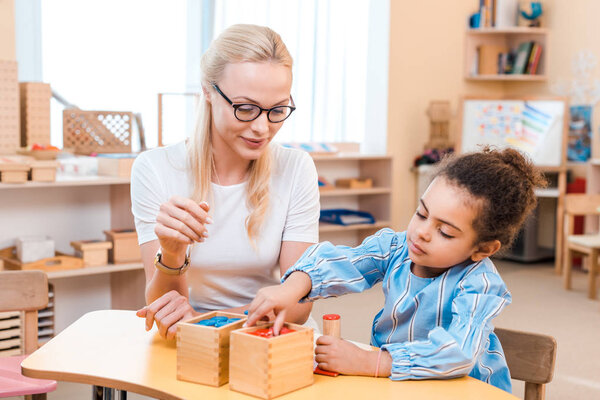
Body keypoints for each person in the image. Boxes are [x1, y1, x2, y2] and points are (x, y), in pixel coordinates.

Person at [247, 147, 547, 393]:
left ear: (483, 249)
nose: (422, 233)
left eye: (445, 232)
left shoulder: (480, 285)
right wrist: (293, 287)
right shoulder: (397, 247)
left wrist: (372, 362)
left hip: (463, 390)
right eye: (422, 214)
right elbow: (344, 261)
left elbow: (457, 353)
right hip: (401, 384)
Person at [131, 24, 319, 340]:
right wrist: (173, 253)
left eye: (278, 110)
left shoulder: (295, 168)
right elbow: (163, 304)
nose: (262, 127)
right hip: (189, 341)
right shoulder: (155, 169)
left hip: (270, 339)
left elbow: (298, 304)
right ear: (207, 90)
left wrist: (208, 323)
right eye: (246, 109)